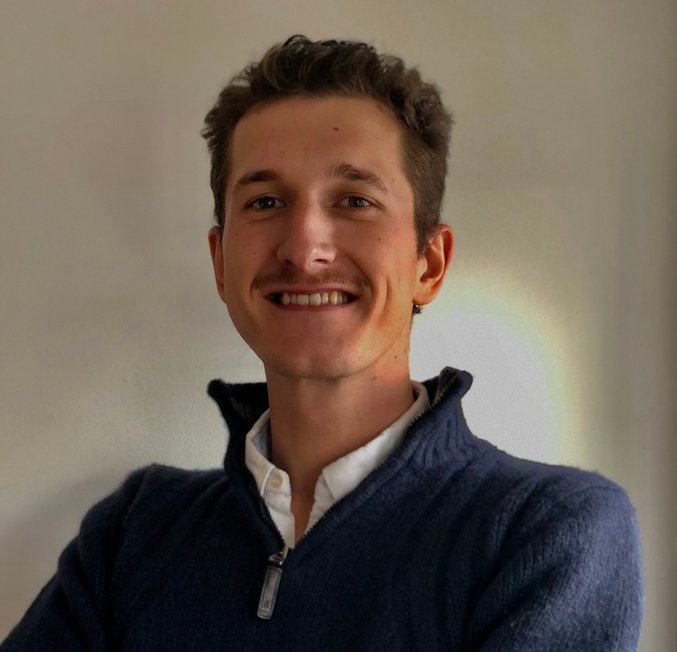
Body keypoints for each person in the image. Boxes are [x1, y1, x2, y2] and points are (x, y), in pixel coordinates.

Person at [2, 36, 643, 651]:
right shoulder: (135, 532)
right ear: (220, 263)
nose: (305, 247)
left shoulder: (545, 531)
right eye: (266, 202)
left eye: (355, 200)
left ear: (428, 263)